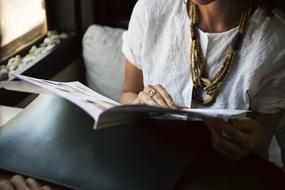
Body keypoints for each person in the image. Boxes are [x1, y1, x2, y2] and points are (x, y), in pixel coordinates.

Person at [120, 0, 285, 167]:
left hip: (230, 171)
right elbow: (128, 93)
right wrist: (138, 106)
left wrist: (250, 144)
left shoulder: (276, 40)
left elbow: (261, 142)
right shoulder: (150, 9)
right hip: (157, 158)